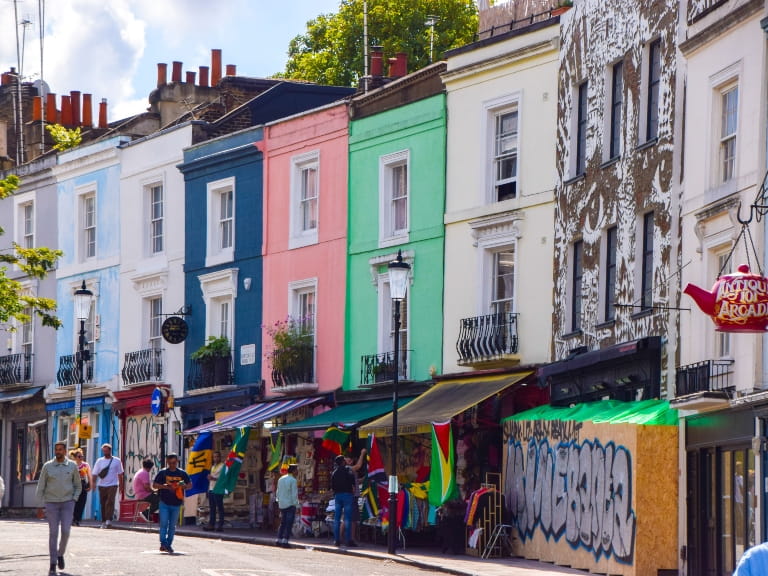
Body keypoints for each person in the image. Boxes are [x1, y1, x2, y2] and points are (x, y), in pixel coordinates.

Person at [36, 441, 81, 575]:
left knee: (66, 531)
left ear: (65, 451)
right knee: (53, 533)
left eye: (61, 449)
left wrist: (74, 498)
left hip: (68, 503)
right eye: (56, 450)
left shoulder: (72, 466)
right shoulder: (47, 466)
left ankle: (60, 554)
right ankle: (53, 564)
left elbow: (78, 485)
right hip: (51, 503)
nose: (58, 452)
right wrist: (39, 506)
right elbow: (41, 486)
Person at [152, 453, 191, 554]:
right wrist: (166, 487)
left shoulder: (182, 473)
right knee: (164, 524)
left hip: (177, 503)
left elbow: (190, 485)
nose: (172, 465)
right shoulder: (163, 473)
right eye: (169, 463)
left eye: (173, 463)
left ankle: (168, 544)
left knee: (172, 526)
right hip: (164, 502)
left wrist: (182, 486)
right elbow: (155, 485)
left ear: (177, 462)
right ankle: (163, 543)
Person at [332, 451, 365, 548]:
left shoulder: (334, 473)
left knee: (337, 519)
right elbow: (353, 484)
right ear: (343, 462)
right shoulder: (348, 470)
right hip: (347, 496)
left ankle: (337, 540)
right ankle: (348, 540)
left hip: (338, 496)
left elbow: (333, 486)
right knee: (347, 518)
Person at [91, 443, 124, 528]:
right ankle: (104, 520)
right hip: (102, 485)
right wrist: (93, 483)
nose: (105, 452)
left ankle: (108, 520)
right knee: (103, 503)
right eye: (103, 451)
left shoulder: (117, 461)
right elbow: (95, 473)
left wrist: (121, 485)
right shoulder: (99, 461)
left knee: (110, 501)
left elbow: (120, 474)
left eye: (106, 450)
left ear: (110, 450)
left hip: (113, 484)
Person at [344, 450, 367, 546]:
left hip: (352, 496)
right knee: (351, 519)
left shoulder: (349, 470)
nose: (349, 461)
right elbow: (358, 466)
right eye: (347, 459)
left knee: (347, 518)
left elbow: (357, 481)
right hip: (351, 496)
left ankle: (342, 538)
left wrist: (366, 477)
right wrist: (362, 454)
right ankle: (350, 539)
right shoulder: (348, 468)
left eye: (350, 459)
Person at [275, 463, 299, 548]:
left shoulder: (281, 479)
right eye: (296, 470)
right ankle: (285, 540)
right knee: (289, 523)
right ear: (293, 471)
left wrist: (278, 501)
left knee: (283, 523)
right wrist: (297, 505)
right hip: (290, 504)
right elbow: (294, 495)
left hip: (282, 504)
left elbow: (278, 492)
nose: (297, 472)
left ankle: (278, 539)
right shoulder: (293, 480)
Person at [203, 451, 225, 532]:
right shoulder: (213, 466)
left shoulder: (223, 466)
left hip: (218, 489)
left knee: (220, 507)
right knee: (212, 508)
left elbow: (224, 478)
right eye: (214, 457)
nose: (215, 458)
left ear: (220, 457)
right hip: (211, 488)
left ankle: (220, 525)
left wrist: (214, 478)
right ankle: (211, 524)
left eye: (217, 457)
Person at [69, 449, 90, 526]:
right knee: (74, 502)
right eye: (79, 456)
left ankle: (77, 519)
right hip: (74, 484)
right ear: (75, 457)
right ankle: (73, 518)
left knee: (82, 502)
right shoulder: (71, 465)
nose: (81, 458)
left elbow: (89, 475)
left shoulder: (86, 465)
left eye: (82, 456)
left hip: (83, 483)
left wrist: (90, 484)